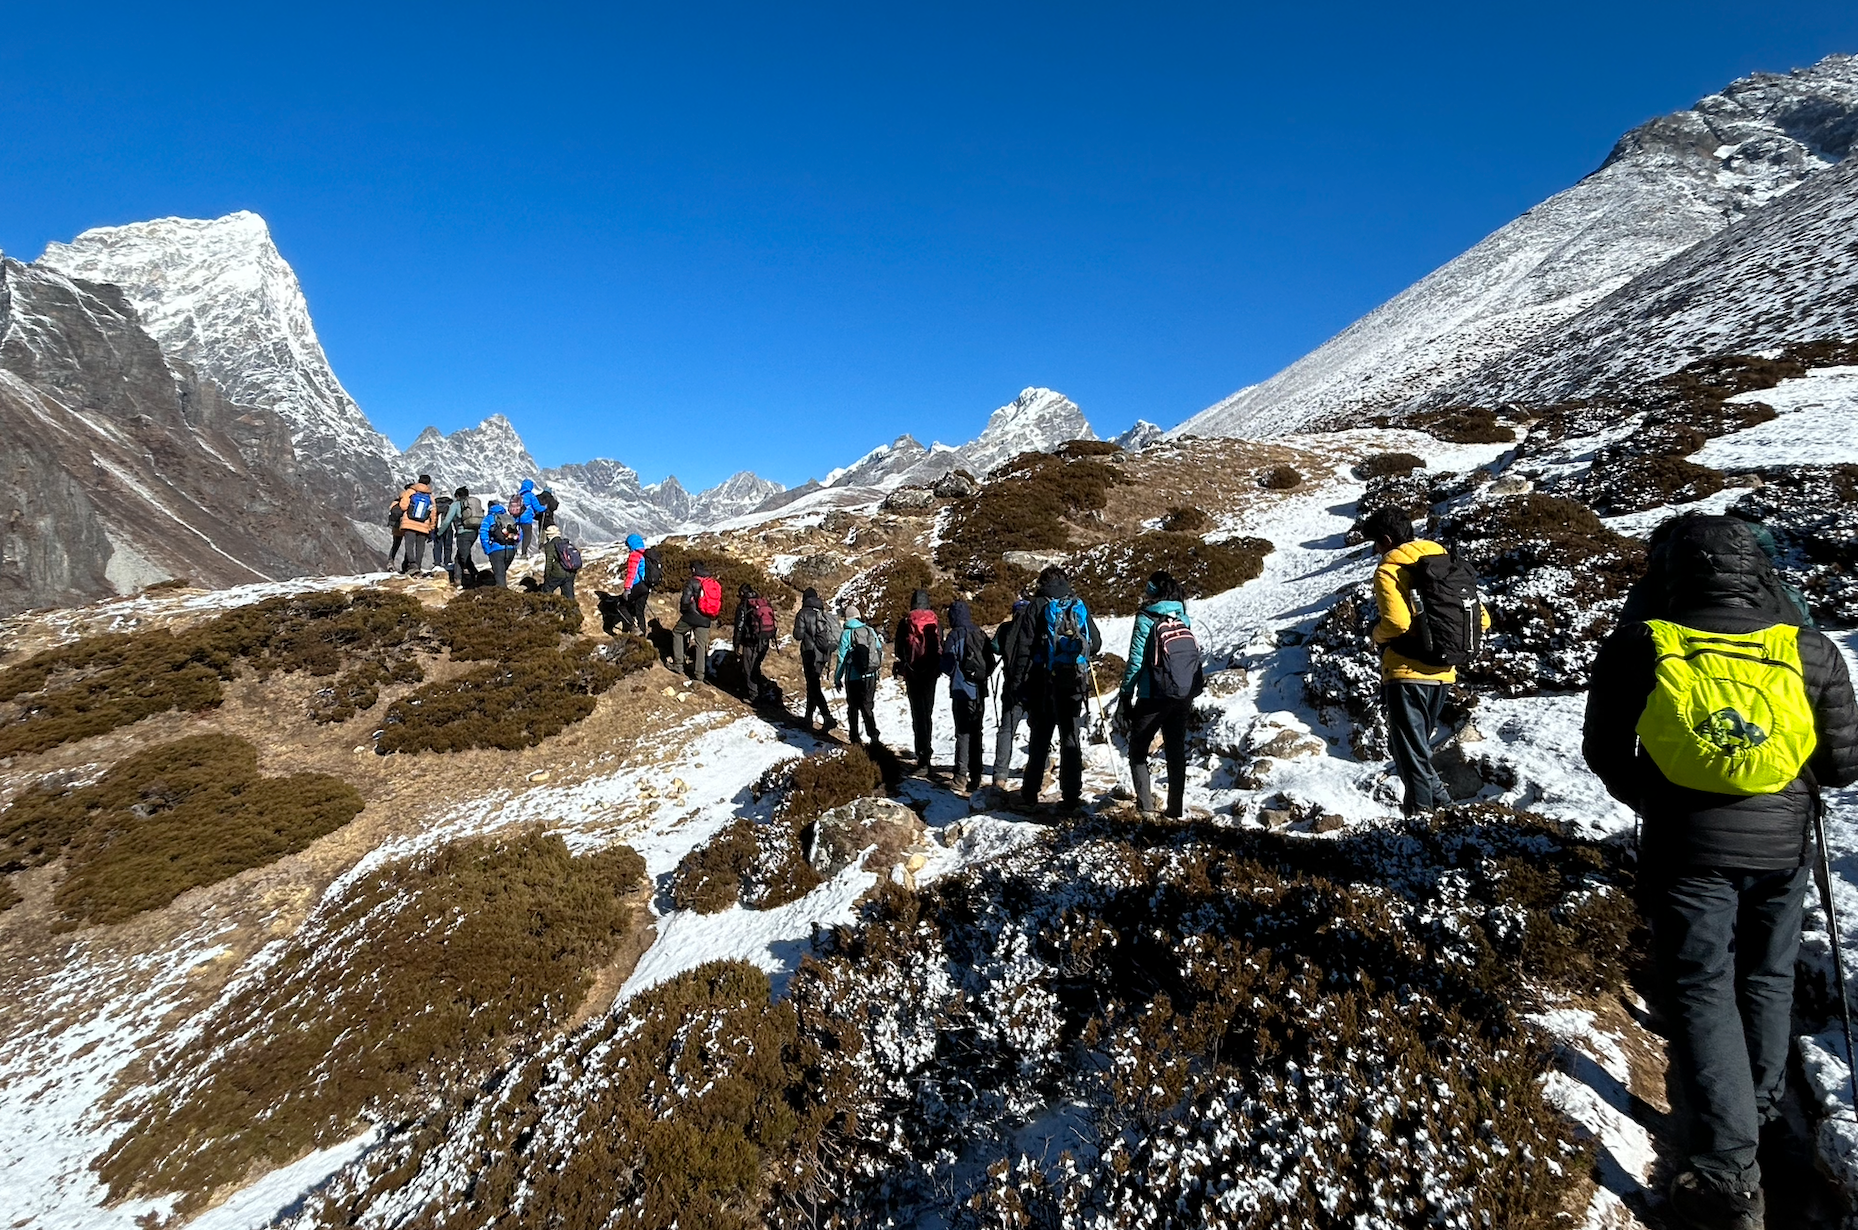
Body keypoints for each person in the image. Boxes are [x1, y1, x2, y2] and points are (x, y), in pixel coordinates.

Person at [1583, 514, 1857, 1230]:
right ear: (1758, 570)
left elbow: (1606, 748)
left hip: (1687, 844)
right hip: (1783, 843)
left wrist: (1656, 793)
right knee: (1766, 978)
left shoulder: (1644, 642)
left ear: (1674, 570)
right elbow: (1844, 763)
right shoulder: (1807, 646)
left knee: (1703, 988)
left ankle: (1729, 1172)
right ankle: (1763, 1118)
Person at [1359, 506, 1488, 816]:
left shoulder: (1390, 568)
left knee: (1410, 754)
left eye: (1376, 543)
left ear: (1387, 539)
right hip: (1443, 672)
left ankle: (1421, 822)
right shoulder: (1443, 563)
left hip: (1406, 672)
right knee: (1411, 750)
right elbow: (1482, 619)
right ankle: (1444, 806)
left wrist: (1374, 634)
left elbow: (1396, 624)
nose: (1376, 550)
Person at [1004, 566, 1102, 810]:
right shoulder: (1077, 603)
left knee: (1040, 736)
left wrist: (1016, 683)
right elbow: (1096, 642)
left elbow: (1023, 647)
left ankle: (1029, 793)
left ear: (1041, 582)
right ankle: (1071, 795)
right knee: (1070, 735)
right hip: (1072, 682)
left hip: (1042, 682)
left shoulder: (1036, 605)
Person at [1118, 571, 1204, 818]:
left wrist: (1126, 695)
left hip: (1153, 694)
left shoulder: (1146, 617)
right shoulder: (1182, 616)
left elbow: (1136, 661)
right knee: (1175, 750)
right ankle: (1174, 809)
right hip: (1182, 693)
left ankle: (1146, 809)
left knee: (1138, 751)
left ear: (1153, 590)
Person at [941, 600, 996, 793]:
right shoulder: (980, 633)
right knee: (977, 732)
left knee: (963, 733)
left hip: (961, 690)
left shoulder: (955, 635)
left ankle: (960, 776)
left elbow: (946, 665)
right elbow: (990, 663)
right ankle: (977, 775)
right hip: (979, 690)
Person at [894, 589, 943, 775]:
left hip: (912, 674)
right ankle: (927, 756)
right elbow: (941, 646)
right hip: (931, 674)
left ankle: (921, 757)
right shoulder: (936, 622)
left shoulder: (906, 622)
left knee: (918, 714)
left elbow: (899, 650)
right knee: (927, 713)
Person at [990, 598, 1030, 789]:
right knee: (1038, 728)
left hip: (1011, 687)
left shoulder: (1006, 628)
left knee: (1006, 730)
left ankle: (1000, 774)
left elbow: (995, 648)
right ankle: (1043, 766)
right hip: (1034, 686)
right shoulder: (1036, 627)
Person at [834, 604, 884, 747]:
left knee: (853, 707)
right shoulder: (869, 630)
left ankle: (855, 739)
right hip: (871, 675)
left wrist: (837, 678)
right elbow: (880, 651)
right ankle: (873, 736)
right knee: (867, 706)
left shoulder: (846, 634)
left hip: (853, 678)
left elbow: (841, 658)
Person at [793, 587, 840, 732]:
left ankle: (827, 717)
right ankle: (808, 718)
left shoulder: (803, 613)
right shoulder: (822, 612)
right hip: (823, 654)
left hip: (810, 654)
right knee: (812, 685)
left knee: (813, 686)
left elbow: (798, 635)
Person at [672, 561, 722, 681]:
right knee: (701, 645)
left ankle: (678, 664)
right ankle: (699, 675)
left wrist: (683, 611)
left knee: (677, 632)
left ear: (694, 569)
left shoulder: (692, 581)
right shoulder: (711, 582)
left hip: (691, 616)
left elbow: (685, 601)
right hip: (706, 617)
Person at [733, 583, 776, 701]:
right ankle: (760, 691)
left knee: (748, 667)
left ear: (742, 593)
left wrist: (736, 645)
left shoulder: (744, 605)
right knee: (756, 666)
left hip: (750, 641)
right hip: (764, 640)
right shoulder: (761, 602)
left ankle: (754, 696)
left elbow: (739, 626)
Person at [397, 475, 437, 574]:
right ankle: (418, 567)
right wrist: (431, 527)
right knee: (420, 547)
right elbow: (433, 513)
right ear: (428, 483)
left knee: (409, 545)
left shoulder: (410, 492)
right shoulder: (430, 496)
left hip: (409, 523)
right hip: (423, 525)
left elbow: (403, 506)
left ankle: (412, 564)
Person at [446, 487, 483, 587]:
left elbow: (447, 520)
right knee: (460, 556)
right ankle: (457, 579)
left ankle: (475, 576)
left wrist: (440, 532)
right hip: (474, 532)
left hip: (463, 533)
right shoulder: (471, 504)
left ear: (457, 496)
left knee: (464, 557)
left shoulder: (456, 504)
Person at [479, 500, 517, 588]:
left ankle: (503, 597)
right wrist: (514, 545)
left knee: (499, 575)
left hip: (496, 550)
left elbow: (483, 534)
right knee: (502, 572)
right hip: (511, 549)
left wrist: (487, 549)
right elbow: (519, 532)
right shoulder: (509, 517)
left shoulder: (488, 518)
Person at [618, 534, 650, 633]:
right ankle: (642, 633)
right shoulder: (646, 553)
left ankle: (632, 626)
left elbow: (632, 573)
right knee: (639, 610)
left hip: (638, 585)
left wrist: (627, 589)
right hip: (647, 586)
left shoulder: (634, 555)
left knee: (620, 605)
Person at [541, 525, 578, 599]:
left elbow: (549, 563)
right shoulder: (565, 543)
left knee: (546, 591)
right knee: (568, 596)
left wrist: (547, 577)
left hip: (558, 574)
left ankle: (545, 608)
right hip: (570, 573)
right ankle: (572, 609)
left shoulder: (550, 545)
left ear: (548, 535)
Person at [513, 479, 545, 557]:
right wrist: (544, 508)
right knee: (527, 536)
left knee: (518, 535)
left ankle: (514, 551)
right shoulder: (530, 495)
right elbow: (537, 507)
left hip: (517, 518)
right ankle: (524, 553)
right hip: (526, 519)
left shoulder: (518, 494)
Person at [385, 481, 413, 570]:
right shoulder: (412, 499)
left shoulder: (398, 499)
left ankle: (390, 561)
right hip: (407, 525)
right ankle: (406, 564)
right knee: (409, 545)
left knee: (396, 544)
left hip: (396, 525)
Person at [429, 488, 455, 575]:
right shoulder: (451, 504)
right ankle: (447, 561)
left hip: (437, 526)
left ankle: (437, 562)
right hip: (447, 527)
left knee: (437, 545)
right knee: (447, 545)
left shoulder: (435, 503)